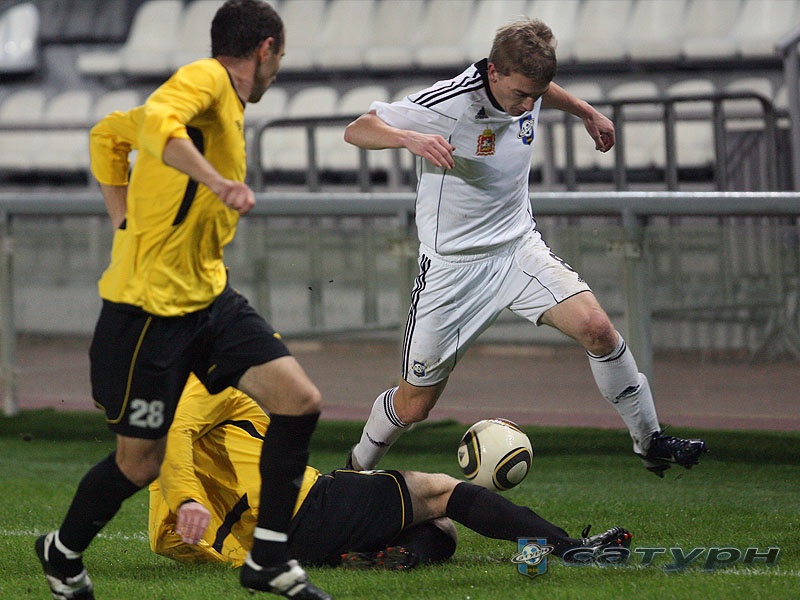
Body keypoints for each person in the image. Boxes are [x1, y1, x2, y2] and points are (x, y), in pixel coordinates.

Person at [35, 2, 330, 599]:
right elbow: (156, 123)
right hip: (147, 314)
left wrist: (123, 220)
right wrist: (213, 182)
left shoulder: (226, 105)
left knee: (298, 401)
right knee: (139, 464)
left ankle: (269, 558)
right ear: (265, 50)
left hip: (209, 298)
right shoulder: (206, 79)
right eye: (280, 57)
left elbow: (108, 133)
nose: (278, 69)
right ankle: (61, 554)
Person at [342, 18, 707, 478]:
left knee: (597, 329)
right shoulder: (449, 102)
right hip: (452, 270)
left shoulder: (526, 90)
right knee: (414, 406)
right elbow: (357, 129)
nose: (528, 106)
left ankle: (650, 440)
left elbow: (541, 91)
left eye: (536, 95)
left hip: (518, 250)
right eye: (520, 95)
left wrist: (585, 112)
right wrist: (407, 137)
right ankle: (353, 471)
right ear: (493, 72)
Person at [149, 375, 633, 570]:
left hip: (273, 550)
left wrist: (228, 553)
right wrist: (191, 498)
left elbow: (162, 539)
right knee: (440, 492)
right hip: (308, 506)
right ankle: (569, 547)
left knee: (442, 528)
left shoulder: (157, 447)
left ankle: (391, 557)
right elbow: (177, 434)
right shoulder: (204, 386)